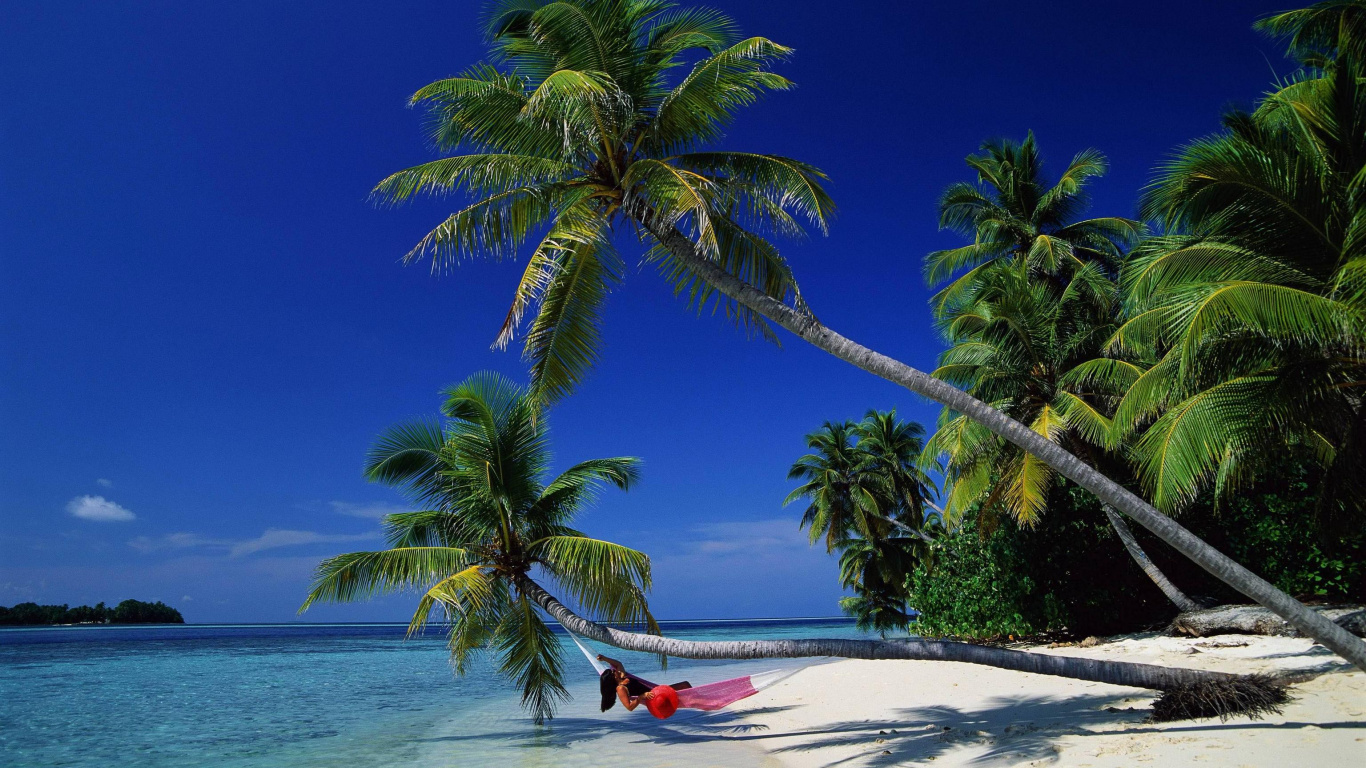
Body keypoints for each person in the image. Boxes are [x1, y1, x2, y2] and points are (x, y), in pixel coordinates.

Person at [596, 654, 691, 716]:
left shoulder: (623, 676)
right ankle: (700, 701)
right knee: (684, 687)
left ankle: (699, 701)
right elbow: (629, 707)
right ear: (613, 677)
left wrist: (603, 658)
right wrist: (641, 696)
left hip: (656, 689)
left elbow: (618, 663)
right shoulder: (620, 688)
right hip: (654, 696)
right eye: (613, 672)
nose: (614, 670)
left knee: (685, 686)